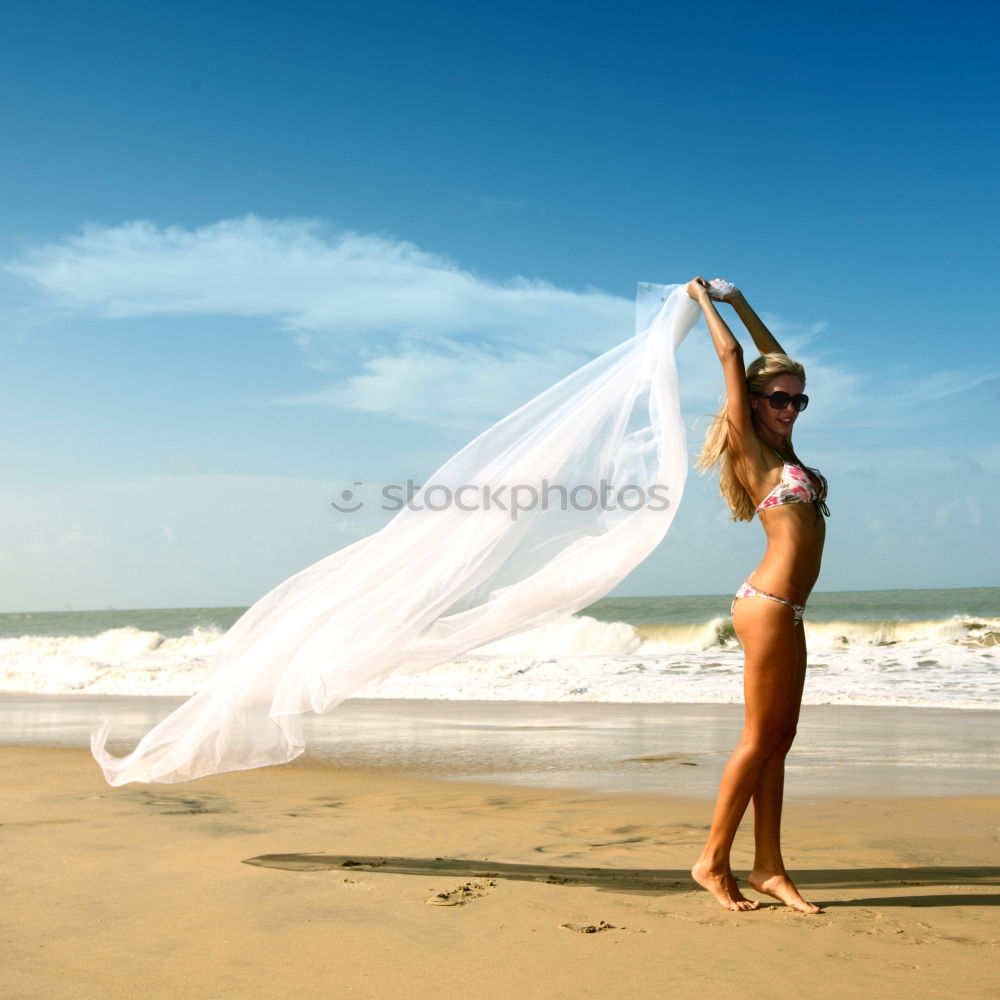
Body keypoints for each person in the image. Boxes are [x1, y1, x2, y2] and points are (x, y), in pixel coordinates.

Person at [686, 276, 828, 914]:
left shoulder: (783, 443)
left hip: (788, 611)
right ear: (752, 401)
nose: (790, 407)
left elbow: (774, 364)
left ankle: (769, 866)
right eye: (779, 400)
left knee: (781, 736)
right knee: (756, 737)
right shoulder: (750, 446)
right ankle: (713, 862)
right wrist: (705, 303)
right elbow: (737, 360)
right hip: (767, 606)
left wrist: (744, 302)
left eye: (800, 401)